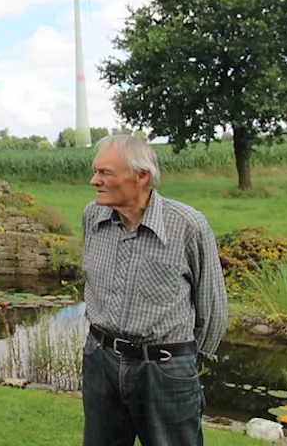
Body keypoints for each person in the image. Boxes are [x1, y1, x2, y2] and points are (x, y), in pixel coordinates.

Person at [80, 134, 229, 446]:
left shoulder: (187, 225)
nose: (95, 180)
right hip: (101, 362)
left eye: (105, 172)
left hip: (165, 370)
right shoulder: (92, 217)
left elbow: (212, 308)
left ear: (141, 176)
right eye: (95, 171)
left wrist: (182, 363)